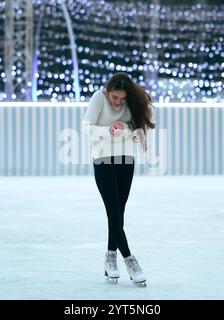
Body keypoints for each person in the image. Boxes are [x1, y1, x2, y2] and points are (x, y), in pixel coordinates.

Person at [82, 72, 156, 286]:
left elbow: (138, 132)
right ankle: (130, 260)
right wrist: (108, 130)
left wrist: (124, 129)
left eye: (122, 99)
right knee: (113, 212)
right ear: (108, 91)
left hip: (126, 160)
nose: (118, 103)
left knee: (118, 214)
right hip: (103, 160)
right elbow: (86, 127)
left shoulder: (132, 102)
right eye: (115, 98)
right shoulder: (98, 97)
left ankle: (110, 259)